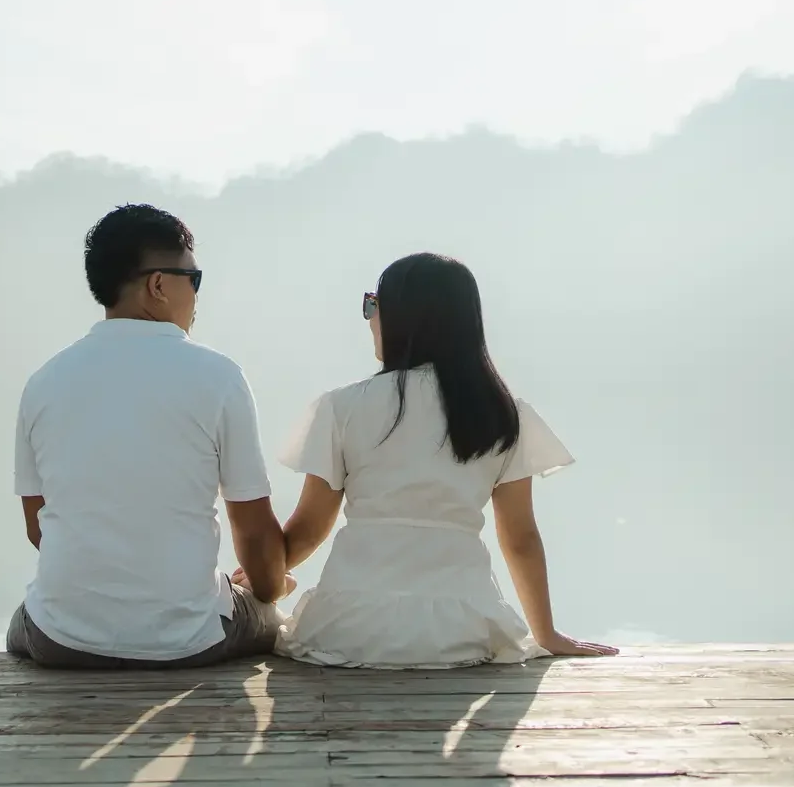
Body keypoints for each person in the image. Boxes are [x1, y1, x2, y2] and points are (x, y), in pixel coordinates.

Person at [256, 252, 618, 668]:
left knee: (265, 616)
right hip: (461, 632)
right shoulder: (504, 415)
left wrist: (263, 575)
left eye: (373, 304)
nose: (369, 318)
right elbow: (520, 539)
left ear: (399, 315)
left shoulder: (343, 407)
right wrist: (547, 634)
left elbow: (307, 529)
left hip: (350, 629)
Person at [6, 204, 291, 669]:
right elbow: (254, 531)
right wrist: (264, 591)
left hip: (63, 640)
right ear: (158, 285)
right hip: (189, 639)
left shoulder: (43, 382)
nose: (197, 296)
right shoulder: (219, 378)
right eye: (193, 279)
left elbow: (40, 527)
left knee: (26, 619)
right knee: (266, 613)